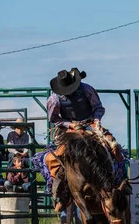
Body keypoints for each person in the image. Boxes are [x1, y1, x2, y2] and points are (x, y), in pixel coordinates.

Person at [46, 67, 122, 213]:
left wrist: (96, 121)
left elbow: (98, 108)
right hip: (68, 129)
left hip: (90, 124)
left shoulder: (86, 89)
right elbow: (54, 118)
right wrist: (71, 124)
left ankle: (118, 182)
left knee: (112, 144)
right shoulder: (54, 99)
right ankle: (62, 193)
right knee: (58, 157)